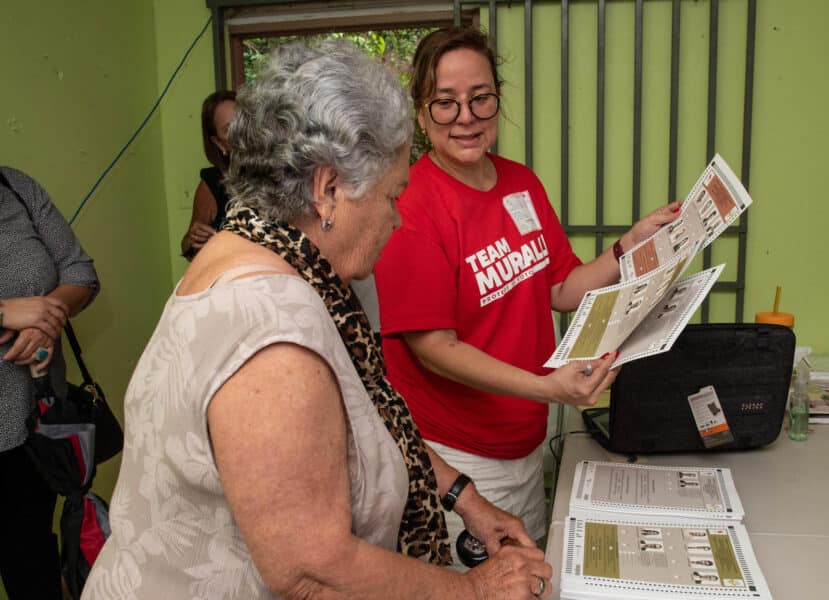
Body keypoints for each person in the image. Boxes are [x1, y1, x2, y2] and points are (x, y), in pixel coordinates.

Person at [82, 41, 551, 599]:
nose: (397, 220)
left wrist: (462, 497)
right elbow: (311, 568)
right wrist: (476, 590)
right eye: (391, 196)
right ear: (328, 190)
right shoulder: (270, 334)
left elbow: (365, 426)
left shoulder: (263, 251)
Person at [374, 27, 681, 543]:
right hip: (455, 456)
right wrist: (548, 388)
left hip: (524, 440)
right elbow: (432, 347)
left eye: (480, 98)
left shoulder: (521, 183)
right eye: (445, 103)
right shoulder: (413, 204)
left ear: (498, 98)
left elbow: (560, 287)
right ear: (421, 113)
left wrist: (629, 245)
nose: (466, 117)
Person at [0, 166, 100, 600]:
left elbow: (80, 272)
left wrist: (46, 317)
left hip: (34, 427)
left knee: (33, 570)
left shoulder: (15, 187)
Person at [180, 89, 236, 259]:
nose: (240, 132)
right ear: (219, 143)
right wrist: (194, 237)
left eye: (242, 122)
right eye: (228, 129)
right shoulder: (213, 183)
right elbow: (188, 247)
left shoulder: (284, 173)